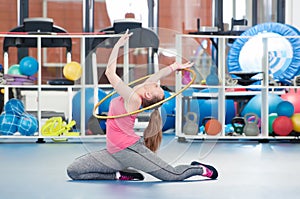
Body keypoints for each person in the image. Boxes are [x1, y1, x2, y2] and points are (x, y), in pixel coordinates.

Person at [67, 30, 218, 181]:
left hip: (130, 150)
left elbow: (110, 73)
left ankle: (200, 169)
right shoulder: (139, 92)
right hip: (113, 152)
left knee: (172, 175)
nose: (156, 84)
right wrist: (174, 67)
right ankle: (120, 175)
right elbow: (156, 76)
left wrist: (117, 45)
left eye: (157, 88)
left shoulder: (133, 99)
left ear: (147, 95)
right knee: (74, 171)